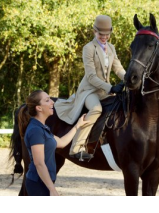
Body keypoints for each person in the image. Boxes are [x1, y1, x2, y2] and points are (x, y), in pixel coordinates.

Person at [54, 14, 126, 161]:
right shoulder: (88, 48)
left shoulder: (111, 48)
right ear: (95, 31)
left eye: (107, 34)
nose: (105, 37)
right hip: (89, 90)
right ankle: (77, 148)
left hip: (103, 90)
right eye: (101, 34)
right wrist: (111, 88)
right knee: (96, 109)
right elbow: (91, 76)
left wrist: (129, 79)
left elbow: (118, 69)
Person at [18, 90, 87, 196]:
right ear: (39, 108)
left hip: (43, 182)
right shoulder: (36, 130)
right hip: (38, 183)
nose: (52, 102)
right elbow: (39, 163)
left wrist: (78, 125)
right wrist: (52, 189)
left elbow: (62, 142)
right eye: (47, 100)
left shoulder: (43, 128)